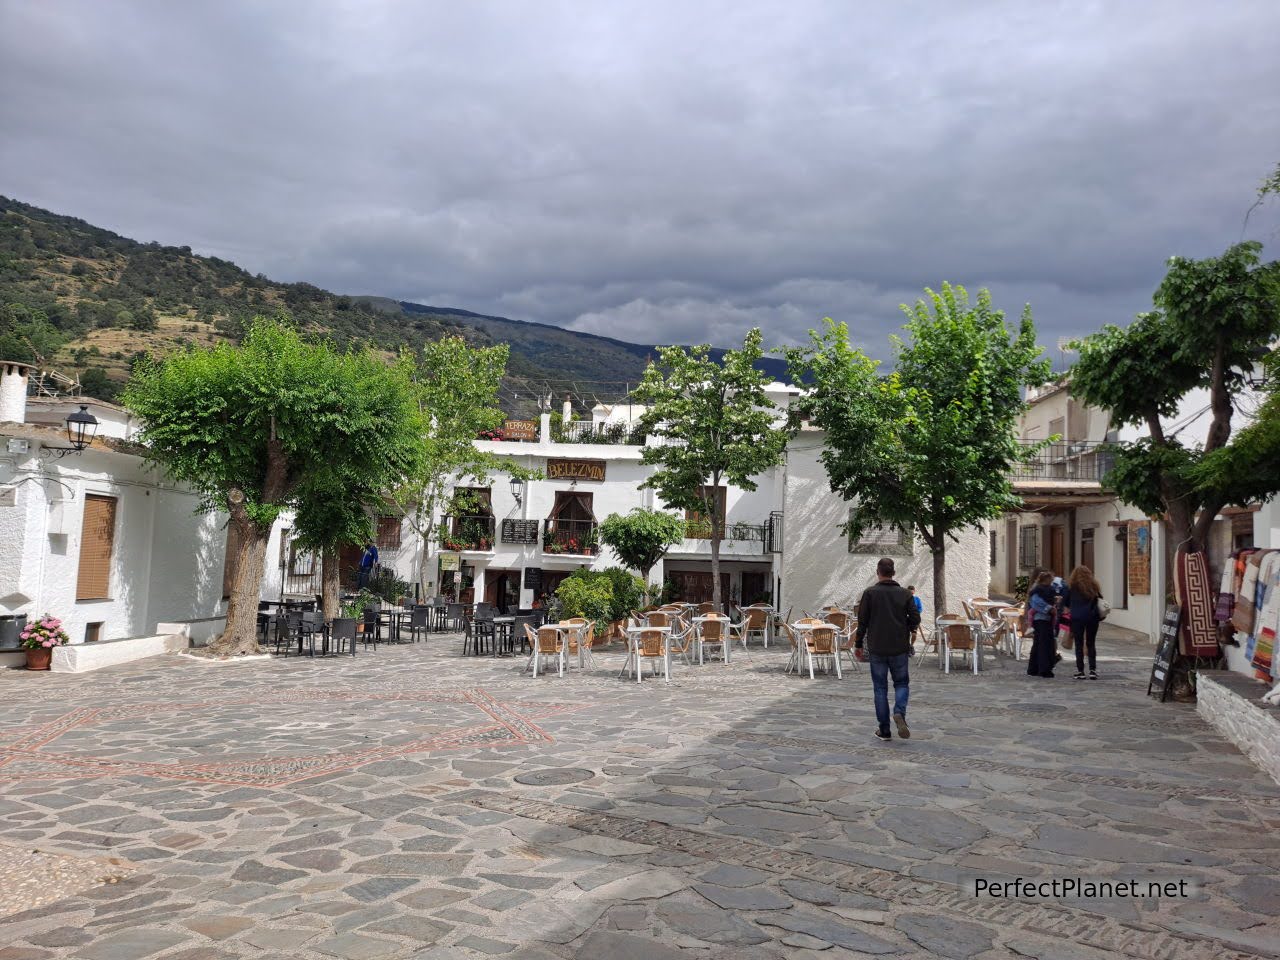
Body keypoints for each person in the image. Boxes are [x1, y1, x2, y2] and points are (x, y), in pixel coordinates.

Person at [856, 557, 921, 741]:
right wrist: (906, 627)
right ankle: (899, 712)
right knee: (901, 684)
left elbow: (862, 622)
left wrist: (858, 644)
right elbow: (916, 618)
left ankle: (884, 730)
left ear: (878, 572)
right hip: (899, 646)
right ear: (893, 572)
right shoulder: (905, 594)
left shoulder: (869, 593)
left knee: (880, 689)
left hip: (877, 647)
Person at [1063, 564, 1103, 679]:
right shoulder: (1094, 586)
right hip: (1092, 617)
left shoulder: (1072, 587)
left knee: (1079, 644)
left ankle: (1080, 671)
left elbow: (1066, 603)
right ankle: (1092, 670)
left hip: (1077, 618)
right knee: (1091, 643)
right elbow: (1100, 599)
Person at [1027, 570, 1058, 678]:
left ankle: (1034, 668)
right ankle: (1043, 670)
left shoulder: (1042, 589)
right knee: (1044, 644)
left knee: (1039, 644)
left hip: (1044, 619)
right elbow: (1036, 603)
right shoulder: (1039, 589)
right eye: (1051, 579)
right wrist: (1049, 609)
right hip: (1042, 619)